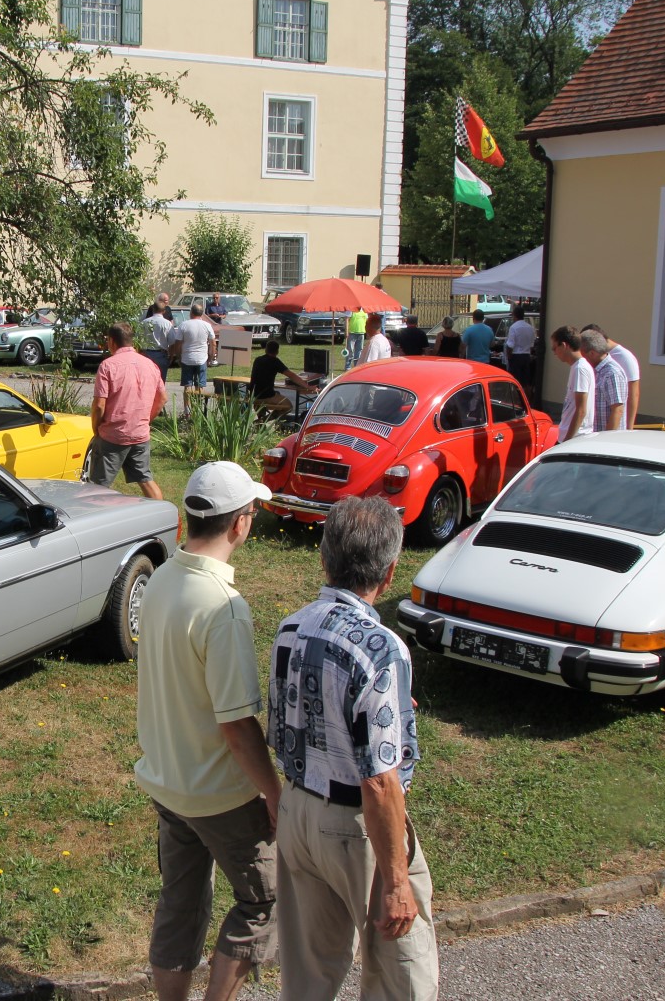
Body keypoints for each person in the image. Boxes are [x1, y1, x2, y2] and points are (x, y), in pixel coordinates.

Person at [270, 496, 437, 1001]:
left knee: (308, 974)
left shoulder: (290, 628)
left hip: (298, 809)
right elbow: (381, 780)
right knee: (401, 975)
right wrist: (395, 881)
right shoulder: (382, 648)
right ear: (387, 575)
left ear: (324, 558)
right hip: (354, 826)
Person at [135, 461, 279, 1001]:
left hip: (168, 781)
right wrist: (273, 792)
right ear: (240, 523)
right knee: (262, 899)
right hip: (220, 794)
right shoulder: (224, 607)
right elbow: (238, 725)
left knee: (181, 898)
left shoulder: (162, 578)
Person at [88, 323, 166, 499]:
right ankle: (162, 515)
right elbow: (162, 399)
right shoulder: (150, 364)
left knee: (98, 486)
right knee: (145, 478)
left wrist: (96, 428)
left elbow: (99, 405)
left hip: (113, 435)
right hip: (139, 434)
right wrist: (146, 420)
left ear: (112, 341)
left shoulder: (108, 366)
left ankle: (99, 521)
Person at [583, 323, 639, 429]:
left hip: (608, 435)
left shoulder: (623, 360)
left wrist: (629, 427)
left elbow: (632, 395)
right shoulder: (597, 365)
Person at [249, 340, 316, 417]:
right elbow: (291, 375)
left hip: (253, 396)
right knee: (288, 407)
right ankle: (264, 420)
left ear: (266, 349)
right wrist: (307, 386)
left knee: (277, 394)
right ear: (277, 351)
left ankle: (261, 420)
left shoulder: (257, 360)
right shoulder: (275, 362)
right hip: (266, 396)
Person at [550, 326, 594, 441]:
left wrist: (567, 441)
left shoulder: (580, 369)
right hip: (571, 435)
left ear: (564, 345)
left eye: (554, 348)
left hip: (576, 437)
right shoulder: (577, 367)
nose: (554, 353)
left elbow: (581, 410)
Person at [579, 329, 626, 433]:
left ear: (592, 353)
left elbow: (617, 410)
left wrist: (605, 441)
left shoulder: (611, 373)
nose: (580, 358)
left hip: (605, 441)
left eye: (581, 354)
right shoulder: (595, 370)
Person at [176, 306, 217, 416]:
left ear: (191, 313)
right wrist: (211, 357)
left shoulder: (184, 325)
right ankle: (198, 410)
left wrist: (178, 357)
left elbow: (178, 343)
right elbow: (213, 343)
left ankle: (187, 411)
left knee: (187, 386)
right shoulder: (207, 325)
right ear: (202, 314)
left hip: (187, 358)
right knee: (200, 386)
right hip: (201, 359)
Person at [505, 308, 537, 397]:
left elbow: (510, 345)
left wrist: (509, 357)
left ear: (515, 316)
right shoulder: (530, 327)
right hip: (526, 355)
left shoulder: (513, 327)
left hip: (516, 356)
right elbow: (532, 344)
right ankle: (528, 401)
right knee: (526, 382)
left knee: (514, 381)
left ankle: (516, 400)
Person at [140, 306, 176, 376]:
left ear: (153, 310)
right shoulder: (167, 323)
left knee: (148, 379)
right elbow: (172, 342)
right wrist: (171, 356)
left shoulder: (144, 322)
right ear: (164, 311)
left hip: (147, 354)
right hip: (161, 354)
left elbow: (138, 339)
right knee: (161, 380)